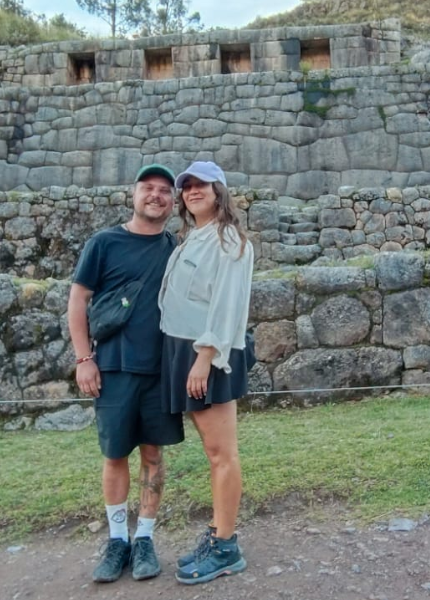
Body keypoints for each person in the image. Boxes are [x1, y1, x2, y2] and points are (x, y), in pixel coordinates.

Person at [67, 164, 185, 583]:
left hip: (160, 369)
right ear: (133, 194)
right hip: (114, 367)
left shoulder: (175, 248)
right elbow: (78, 300)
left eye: (165, 190)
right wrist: (84, 358)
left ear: (173, 202)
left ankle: (145, 538)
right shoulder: (104, 243)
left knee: (153, 453)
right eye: (148, 188)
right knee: (115, 453)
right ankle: (118, 539)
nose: (156, 195)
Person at [158, 161, 254, 585]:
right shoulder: (193, 237)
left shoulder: (228, 239)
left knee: (221, 453)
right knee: (212, 452)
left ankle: (226, 547)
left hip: (206, 353)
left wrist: (205, 356)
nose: (193, 190)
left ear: (219, 191)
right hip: (183, 348)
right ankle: (218, 532)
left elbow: (228, 303)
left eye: (202, 184)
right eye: (188, 185)